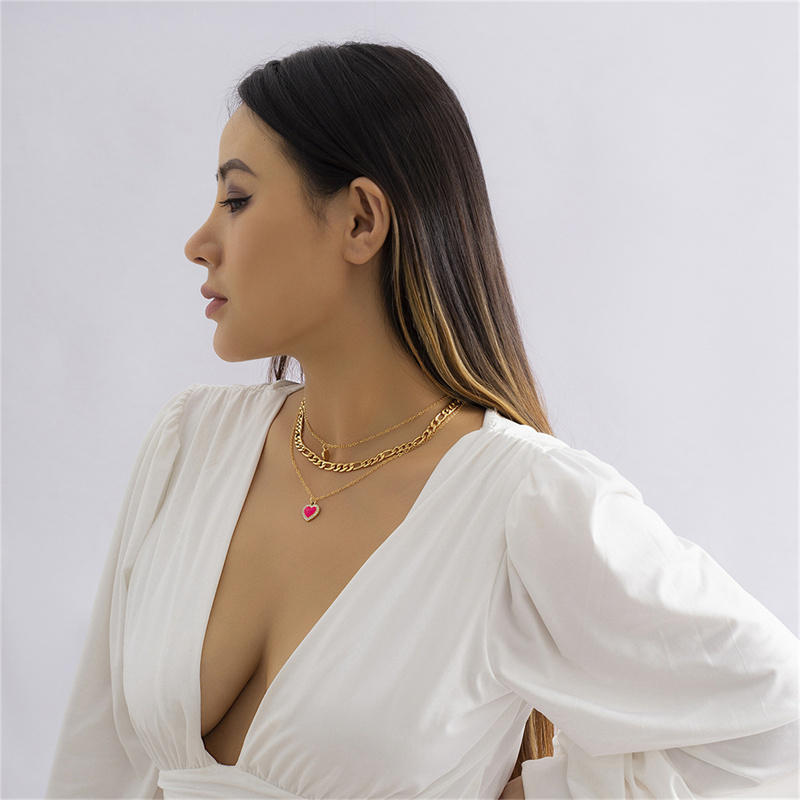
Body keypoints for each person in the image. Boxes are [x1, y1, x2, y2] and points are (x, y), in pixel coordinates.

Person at [46, 41, 798, 800]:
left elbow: (778, 718)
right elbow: (97, 763)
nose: (198, 243)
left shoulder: (522, 505)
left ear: (361, 220)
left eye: (236, 200)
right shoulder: (190, 445)